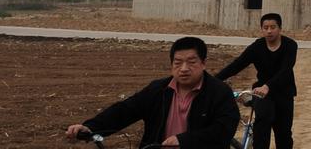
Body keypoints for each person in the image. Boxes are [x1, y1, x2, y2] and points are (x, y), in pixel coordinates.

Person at [65, 36, 238, 148]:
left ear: (203, 63)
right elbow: (126, 110)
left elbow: (223, 130)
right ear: (171, 64)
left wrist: (184, 141)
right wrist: (91, 127)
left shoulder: (219, 92)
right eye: (177, 63)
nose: (184, 69)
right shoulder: (158, 90)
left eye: (191, 62)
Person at [215, 12, 297, 149]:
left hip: (284, 93)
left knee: (283, 135)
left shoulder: (290, 45)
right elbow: (237, 65)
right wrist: (212, 81)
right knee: (262, 126)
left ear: (280, 28)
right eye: (265, 28)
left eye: (273, 27)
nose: (269, 31)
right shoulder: (257, 47)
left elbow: (286, 70)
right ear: (262, 29)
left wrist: (268, 86)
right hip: (262, 94)